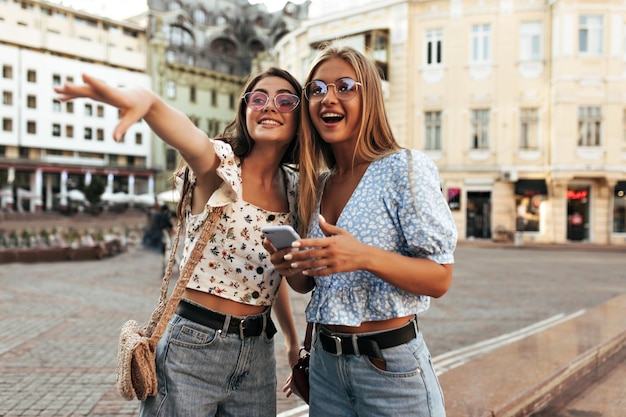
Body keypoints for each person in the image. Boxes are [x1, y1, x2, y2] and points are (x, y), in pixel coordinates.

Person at [55, 67, 302, 417]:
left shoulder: (295, 188)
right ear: (245, 110)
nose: (270, 106)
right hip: (194, 345)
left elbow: (270, 278)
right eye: (258, 98)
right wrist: (147, 102)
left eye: (285, 100)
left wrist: (292, 341)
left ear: (299, 116)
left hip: (258, 355)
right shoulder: (220, 164)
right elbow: (186, 134)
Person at [264, 44, 458, 416]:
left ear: (368, 97)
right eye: (316, 90)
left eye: (344, 86)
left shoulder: (405, 168)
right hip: (325, 367)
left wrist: (364, 256)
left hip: (390, 369)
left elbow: (440, 278)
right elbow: (309, 285)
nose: (327, 98)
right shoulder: (317, 184)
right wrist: (291, 267)